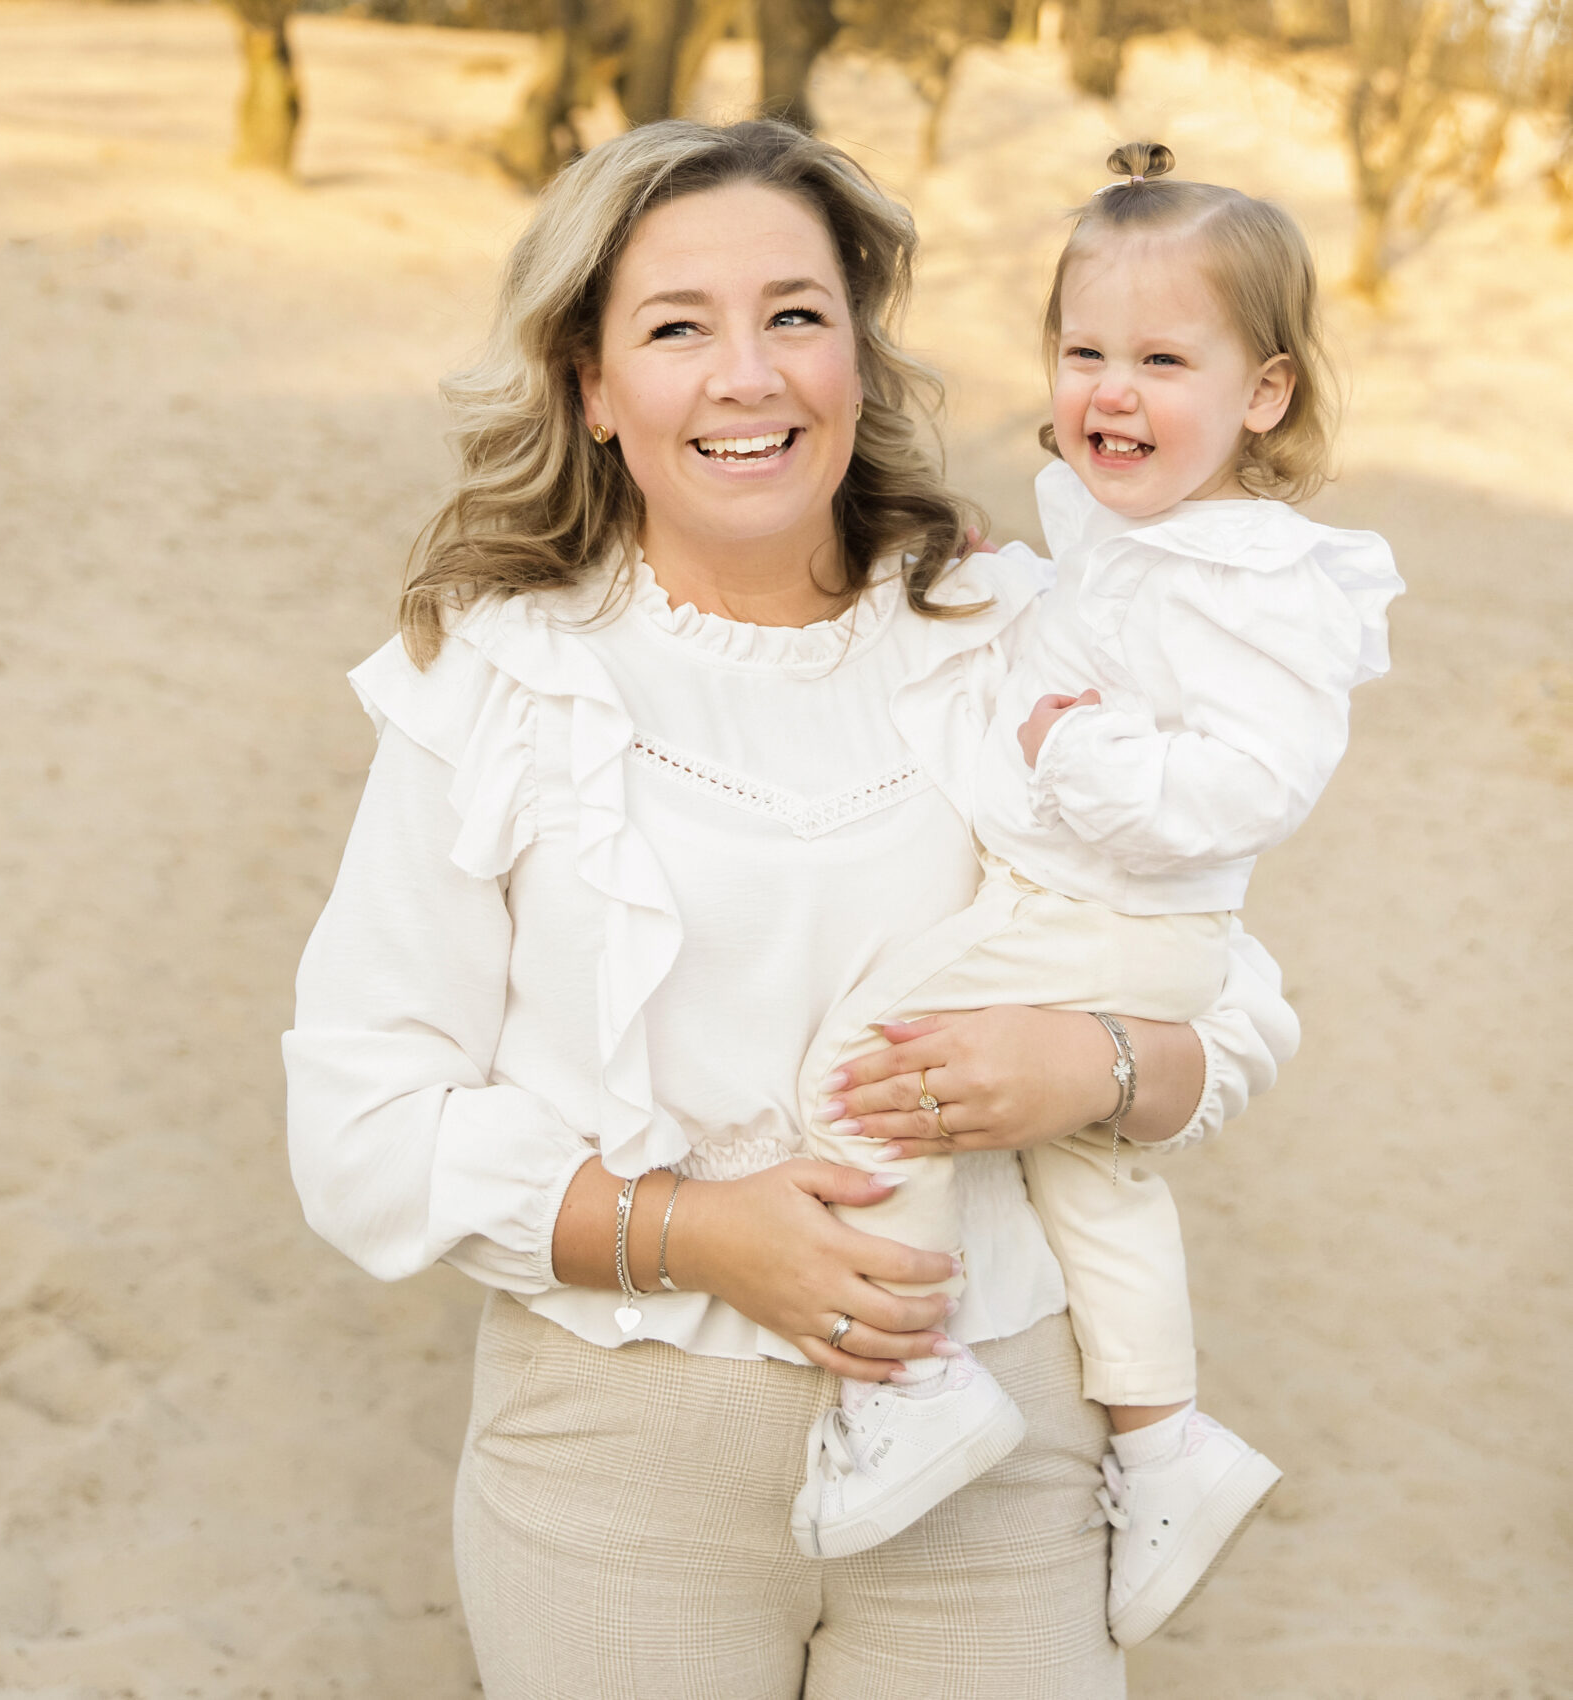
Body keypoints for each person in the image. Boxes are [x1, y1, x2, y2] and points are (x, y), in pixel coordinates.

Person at [283, 118, 1300, 1698]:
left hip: (1005, 1462)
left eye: (797, 315)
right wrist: (699, 1234)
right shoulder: (495, 681)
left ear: (859, 360)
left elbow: (1228, 1004)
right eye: (678, 328)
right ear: (594, 389)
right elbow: (360, 1128)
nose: (748, 375)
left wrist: (1087, 1065)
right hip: (617, 1472)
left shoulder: (1008, 631)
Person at [788, 141, 1403, 1650]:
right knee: (1095, 1181)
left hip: (1118, 918)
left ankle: (914, 1383)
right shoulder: (1139, 538)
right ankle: (1164, 1443)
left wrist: (1084, 744)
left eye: (1161, 360)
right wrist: (1026, 606)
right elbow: (1090, 635)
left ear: (1263, 392)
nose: (1110, 392)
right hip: (1118, 919)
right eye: (1084, 353)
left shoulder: (1254, 582)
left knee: (875, 1066)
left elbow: (1251, 785)